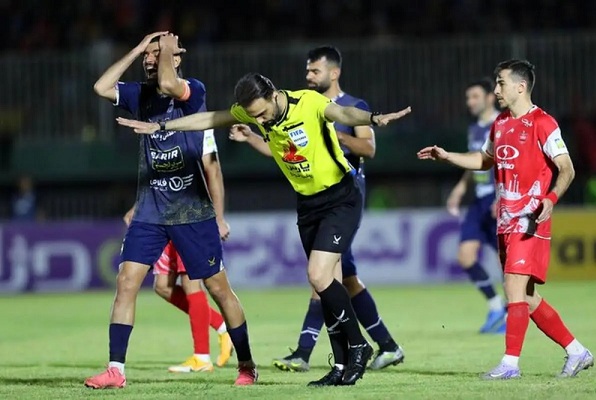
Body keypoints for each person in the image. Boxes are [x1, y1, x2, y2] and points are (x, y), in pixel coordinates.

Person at [116, 73, 412, 386]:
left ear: (273, 94)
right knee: (329, 284)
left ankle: (359, 345)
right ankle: (340, 366)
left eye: (261, 113)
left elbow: (344, 113)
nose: (259, 120)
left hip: (341, 197)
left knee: (318, 275)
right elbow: (209, 119)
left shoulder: (307, 102)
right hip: (308, 204)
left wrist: (373, 118)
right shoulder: (255, 112)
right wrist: (162, 127)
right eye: (253, 116)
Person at [85, 32, 257, 389]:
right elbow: (101, 87)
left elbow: (168, 84)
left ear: (176, 58)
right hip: (150, 211)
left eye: (158, 53)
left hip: (192, 212)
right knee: (126, 281)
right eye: (147, 55)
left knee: (218, 289)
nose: (150, 59)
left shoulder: (194, 91)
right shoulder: (139, 94)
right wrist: (136, 49)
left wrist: (164, 49)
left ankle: (246, 364)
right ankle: (116, 369)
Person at [229, 46, 404, 372]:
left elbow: (368, 148)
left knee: (322, 277)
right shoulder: (295, 109)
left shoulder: (350, 106)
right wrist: (252, 138)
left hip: (343, 197)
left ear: (333, 73)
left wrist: (334, 133)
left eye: (315, 71)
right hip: (314, 202)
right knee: (343, 278)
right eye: (307, 71)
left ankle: (308, 352)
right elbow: (285, 152)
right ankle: (385, 346)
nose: (308, 76)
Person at [417, 59, 594, 379]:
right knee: (527, 297)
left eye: (501, 83)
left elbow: (567, 168)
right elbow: (484, 159)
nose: (496, 90)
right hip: (505, 222)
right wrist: (448, 156)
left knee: (513, 288)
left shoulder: (543, 123)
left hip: (530, 220)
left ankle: (510, 364)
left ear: (520, 87)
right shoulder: (500, 123)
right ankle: (577, 351)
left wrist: (551, 199)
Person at [121, 128, 233, 373]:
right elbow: (157, 174)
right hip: (161, 215)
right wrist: (138, 206)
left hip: (190, 215)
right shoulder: (157, 126)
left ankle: (201, 357)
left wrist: (219, 217)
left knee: (192, 283)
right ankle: (222, 326)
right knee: (162, 286)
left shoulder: (198, 125)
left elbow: (213, 170)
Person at [446, 78, 505, 334]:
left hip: (498, 200)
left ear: (490, 97)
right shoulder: (474, 129)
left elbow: (509, 164)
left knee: (507, 263)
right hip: (479, 202)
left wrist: (502, 196)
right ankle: (496, 307)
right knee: (465, 256)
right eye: (468, 97)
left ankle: (514, 315)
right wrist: (460, 188)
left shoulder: (502, 124)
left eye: (475, 97)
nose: (469, 102)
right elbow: (476, 162)